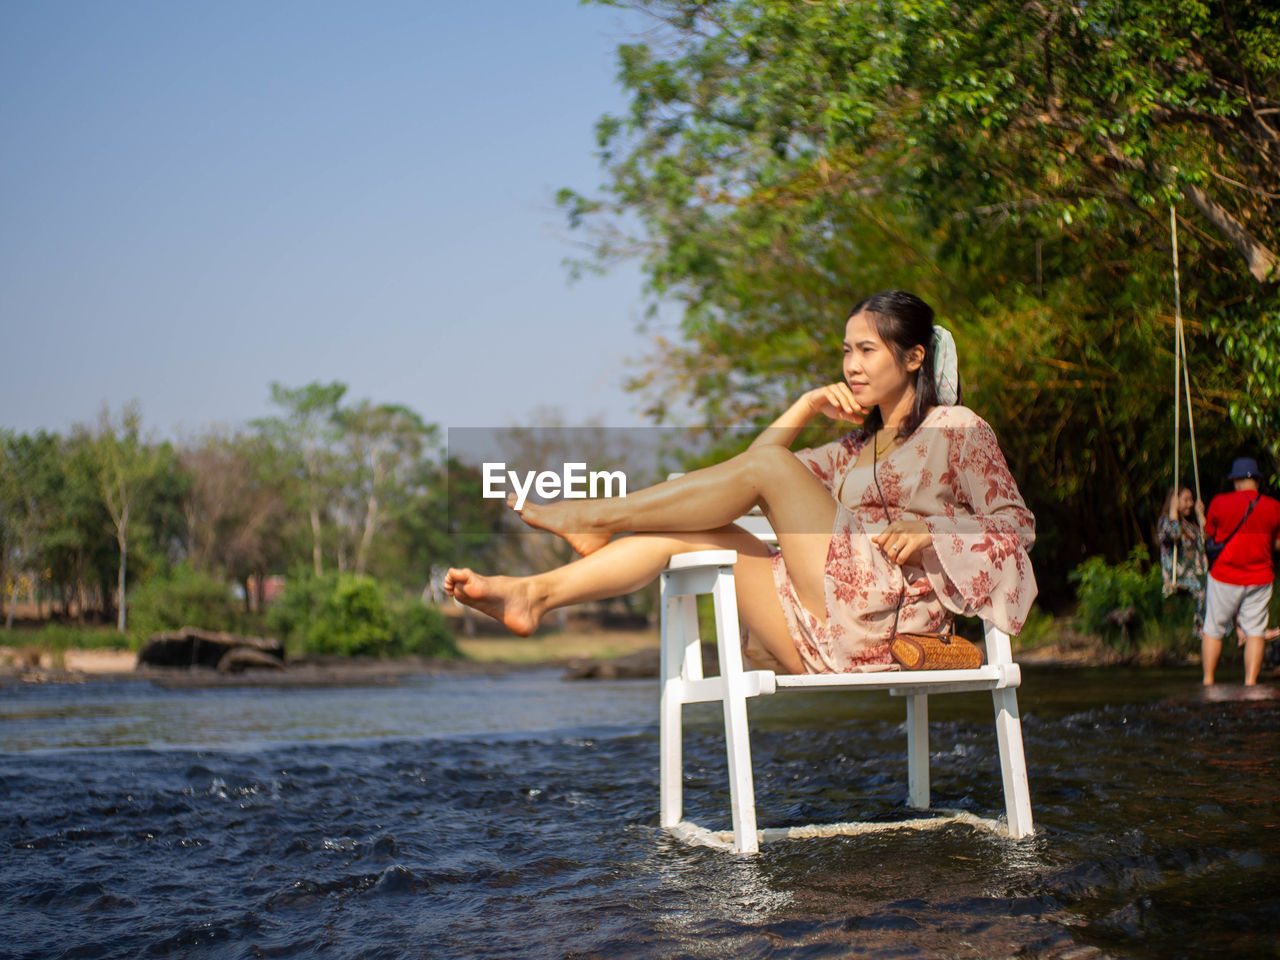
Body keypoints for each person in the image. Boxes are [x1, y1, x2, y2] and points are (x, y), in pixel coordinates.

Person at [445, 291, 1037, 675]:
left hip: (897, 631)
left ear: (912, 358)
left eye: (866, 350)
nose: (850, 366)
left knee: (764, 476)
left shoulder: (957, 428)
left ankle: (596, 517)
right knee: (692, 534)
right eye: (845, 352)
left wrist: (933, 531)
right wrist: (804, 407)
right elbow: (748, 472)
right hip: (817, 634)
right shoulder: (851, 451)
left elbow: (1018, 527)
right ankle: (535, 596)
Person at [1201, 457, 1280, 686]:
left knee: (1213, 628)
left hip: (1225, 576)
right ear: (1257, 480)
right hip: (1260, 577)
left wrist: (1200, 515)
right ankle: (1251, 683)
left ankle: (1208, 682)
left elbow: (1209, 537)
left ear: (1235, 480)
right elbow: (1276, 544)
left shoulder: (1219, 503)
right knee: (1255, 631)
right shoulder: (1274, 507)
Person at [1156, 485, 1207, 635]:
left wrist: (1200, 516)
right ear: (1175, 501)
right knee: (1205, 584)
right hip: (1179, 576)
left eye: (1191, 500)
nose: (1190, 504)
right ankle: (1201, 628)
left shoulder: (1190, 525)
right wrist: (1173, 511)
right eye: (1186, 500)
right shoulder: (1166, 521)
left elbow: (1206, 542)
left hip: (1196, 573)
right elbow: (1174, 534)